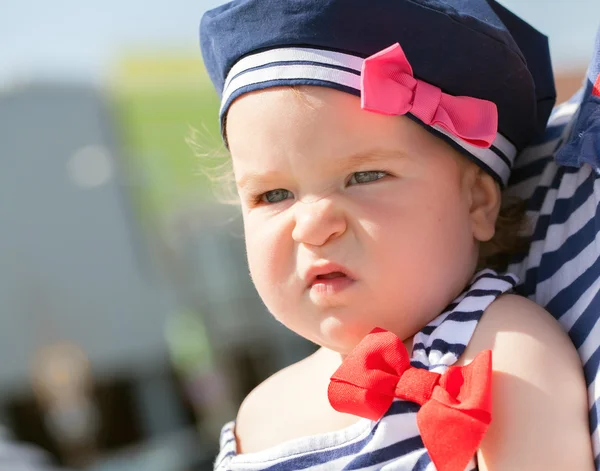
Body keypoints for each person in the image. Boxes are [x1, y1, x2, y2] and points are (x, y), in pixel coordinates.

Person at [198, 1, 594, 469]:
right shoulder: (256, 417)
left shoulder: (498, 353)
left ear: (478, 202)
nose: (311, 225)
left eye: (365, 177)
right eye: (272, 194)